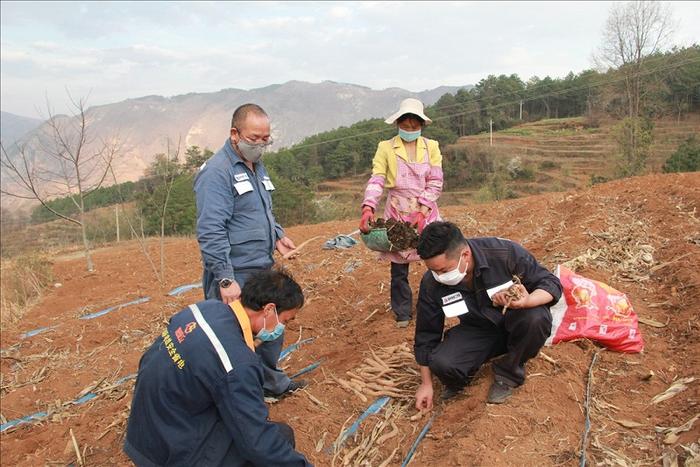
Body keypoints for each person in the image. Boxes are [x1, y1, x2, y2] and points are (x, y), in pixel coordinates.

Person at [124, 270, 312, 467]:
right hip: (171, 452)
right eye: (285, 321)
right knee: (281, 437)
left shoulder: (204, 309)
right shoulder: (237, 363)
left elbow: (149, 357)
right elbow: (257, 442)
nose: (282, 328)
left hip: (142, 434)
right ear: (269, 310)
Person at [194, 103, 303, 397]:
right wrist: (226, 279)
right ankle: (239, 396)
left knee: (271, 328)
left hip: (261, 266)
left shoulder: (256, 166)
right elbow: (210, 230)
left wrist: (277, 235)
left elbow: (259, 211)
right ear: (234, 134)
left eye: (265, 138)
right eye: (254, 138)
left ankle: (270, 385)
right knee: (235, 339)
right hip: (235, 272)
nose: (260, 144)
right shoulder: (217, 173)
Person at [413, 222, 562, 408]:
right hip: (479, 329)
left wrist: (527, 301)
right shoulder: (432, 283)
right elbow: (426, 335)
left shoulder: (504, 254)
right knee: (442, 363)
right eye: (433, 270)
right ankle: (466, 375)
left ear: (464, 255)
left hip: (516, 321)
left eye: (443, 270)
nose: (439, 276)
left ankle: (509, 373)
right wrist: (426, 384)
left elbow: (551, 283)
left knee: (536, 318)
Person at [359, 98, 444, 328]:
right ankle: (403, 312)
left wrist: (423, 210)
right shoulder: (386, 147)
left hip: (424, 211)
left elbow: (435, 182)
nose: (409, 130)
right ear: (397, 124)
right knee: (399, 266)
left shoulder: (431, 147)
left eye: (414, 127)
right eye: (405, 126)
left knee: (436, 259)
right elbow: (377, 178)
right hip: (397, 212)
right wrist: (368, 207)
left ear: (421, 126)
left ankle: (439, 304)